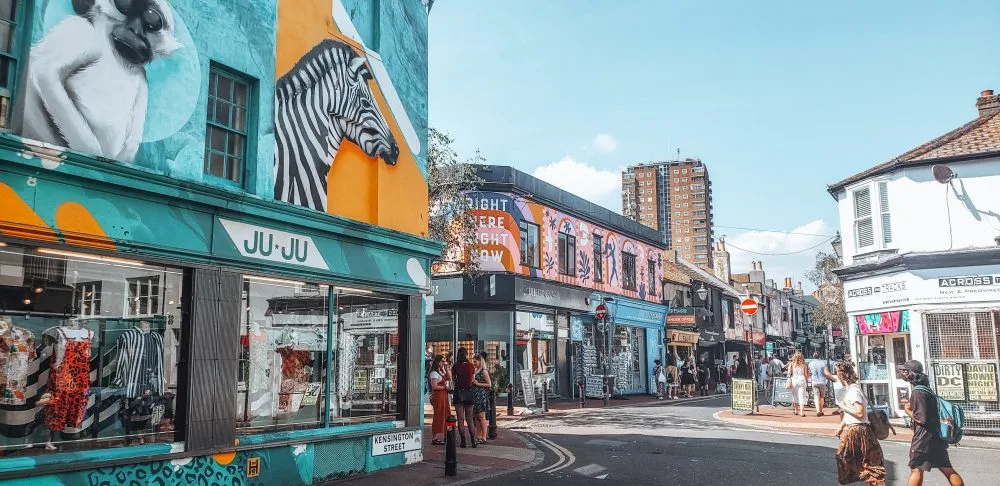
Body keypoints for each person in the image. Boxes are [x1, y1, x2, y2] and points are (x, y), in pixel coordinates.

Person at [902, 360, 964, 486]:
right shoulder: (925, 389)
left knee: (916, 469)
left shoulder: (917, 392)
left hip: (923, 439)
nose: (902, 373)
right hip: (935, 437)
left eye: (905, 371)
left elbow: (921, 419)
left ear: (911, 373)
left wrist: (907, 410)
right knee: (946, 468)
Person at [833, 362, 886, 486]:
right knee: (863, 461)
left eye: (837, 374)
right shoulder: (851, 389)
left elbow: (860, 413)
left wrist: (843, 406)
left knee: (863, 462)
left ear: (841, 376)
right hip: (857, 429)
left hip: (859, 431)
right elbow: (852, 414)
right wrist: (841, 426)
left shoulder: (854, 391)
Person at [451, 347, 478, 448]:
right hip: (469, 392)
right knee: (470, 418)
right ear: (466, 354)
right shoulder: (471, 366)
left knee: (460, 419)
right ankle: (473, 440)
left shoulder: (455, 366)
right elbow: (473, 380)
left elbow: (453, 380)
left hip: (458, 393)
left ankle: (463, 441)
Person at [427, 355, 450, 445]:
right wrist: (444, 387)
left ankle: (446, 434)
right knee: (438, 415)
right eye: (442, 361)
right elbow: (434, 386)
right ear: (438, 362)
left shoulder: (442, 371)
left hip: (444, 396)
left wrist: (447, 369)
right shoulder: (434, 373)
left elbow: (449, 378)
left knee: (446, 414)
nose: (443, 363)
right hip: (438, 396)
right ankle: (434, 437)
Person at [472, 353, 493, 443]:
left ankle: (484, 436)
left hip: (482, 395)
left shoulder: (484, 371)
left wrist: (478, 384)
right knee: (476, 416)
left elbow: (489, 384)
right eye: (473, 362)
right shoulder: (476, 371)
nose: (474, 363)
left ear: (480, 361)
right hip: (476, 395)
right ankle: (479, 435)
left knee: (481, 416)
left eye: (475, 361)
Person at [787, 352, 810, 416]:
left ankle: (796, 410)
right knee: (802, 396)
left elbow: (789, 373)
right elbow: (806, 375)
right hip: (802, 380)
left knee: (795, 396)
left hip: (794, 380)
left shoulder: (791, 364)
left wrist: (789, 378)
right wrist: (807, 381)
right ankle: (802, 412)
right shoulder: (804, 365)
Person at [809, 352, 830, 416]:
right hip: (822, 382)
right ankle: (821, 410)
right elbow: (826, 373)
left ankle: (818, 411)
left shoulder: (810, 363)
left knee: (816, 397)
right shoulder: (823, 363)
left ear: (813, 356)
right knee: (821, 397)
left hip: (814, 381)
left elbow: (810, 372)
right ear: (819, 356)